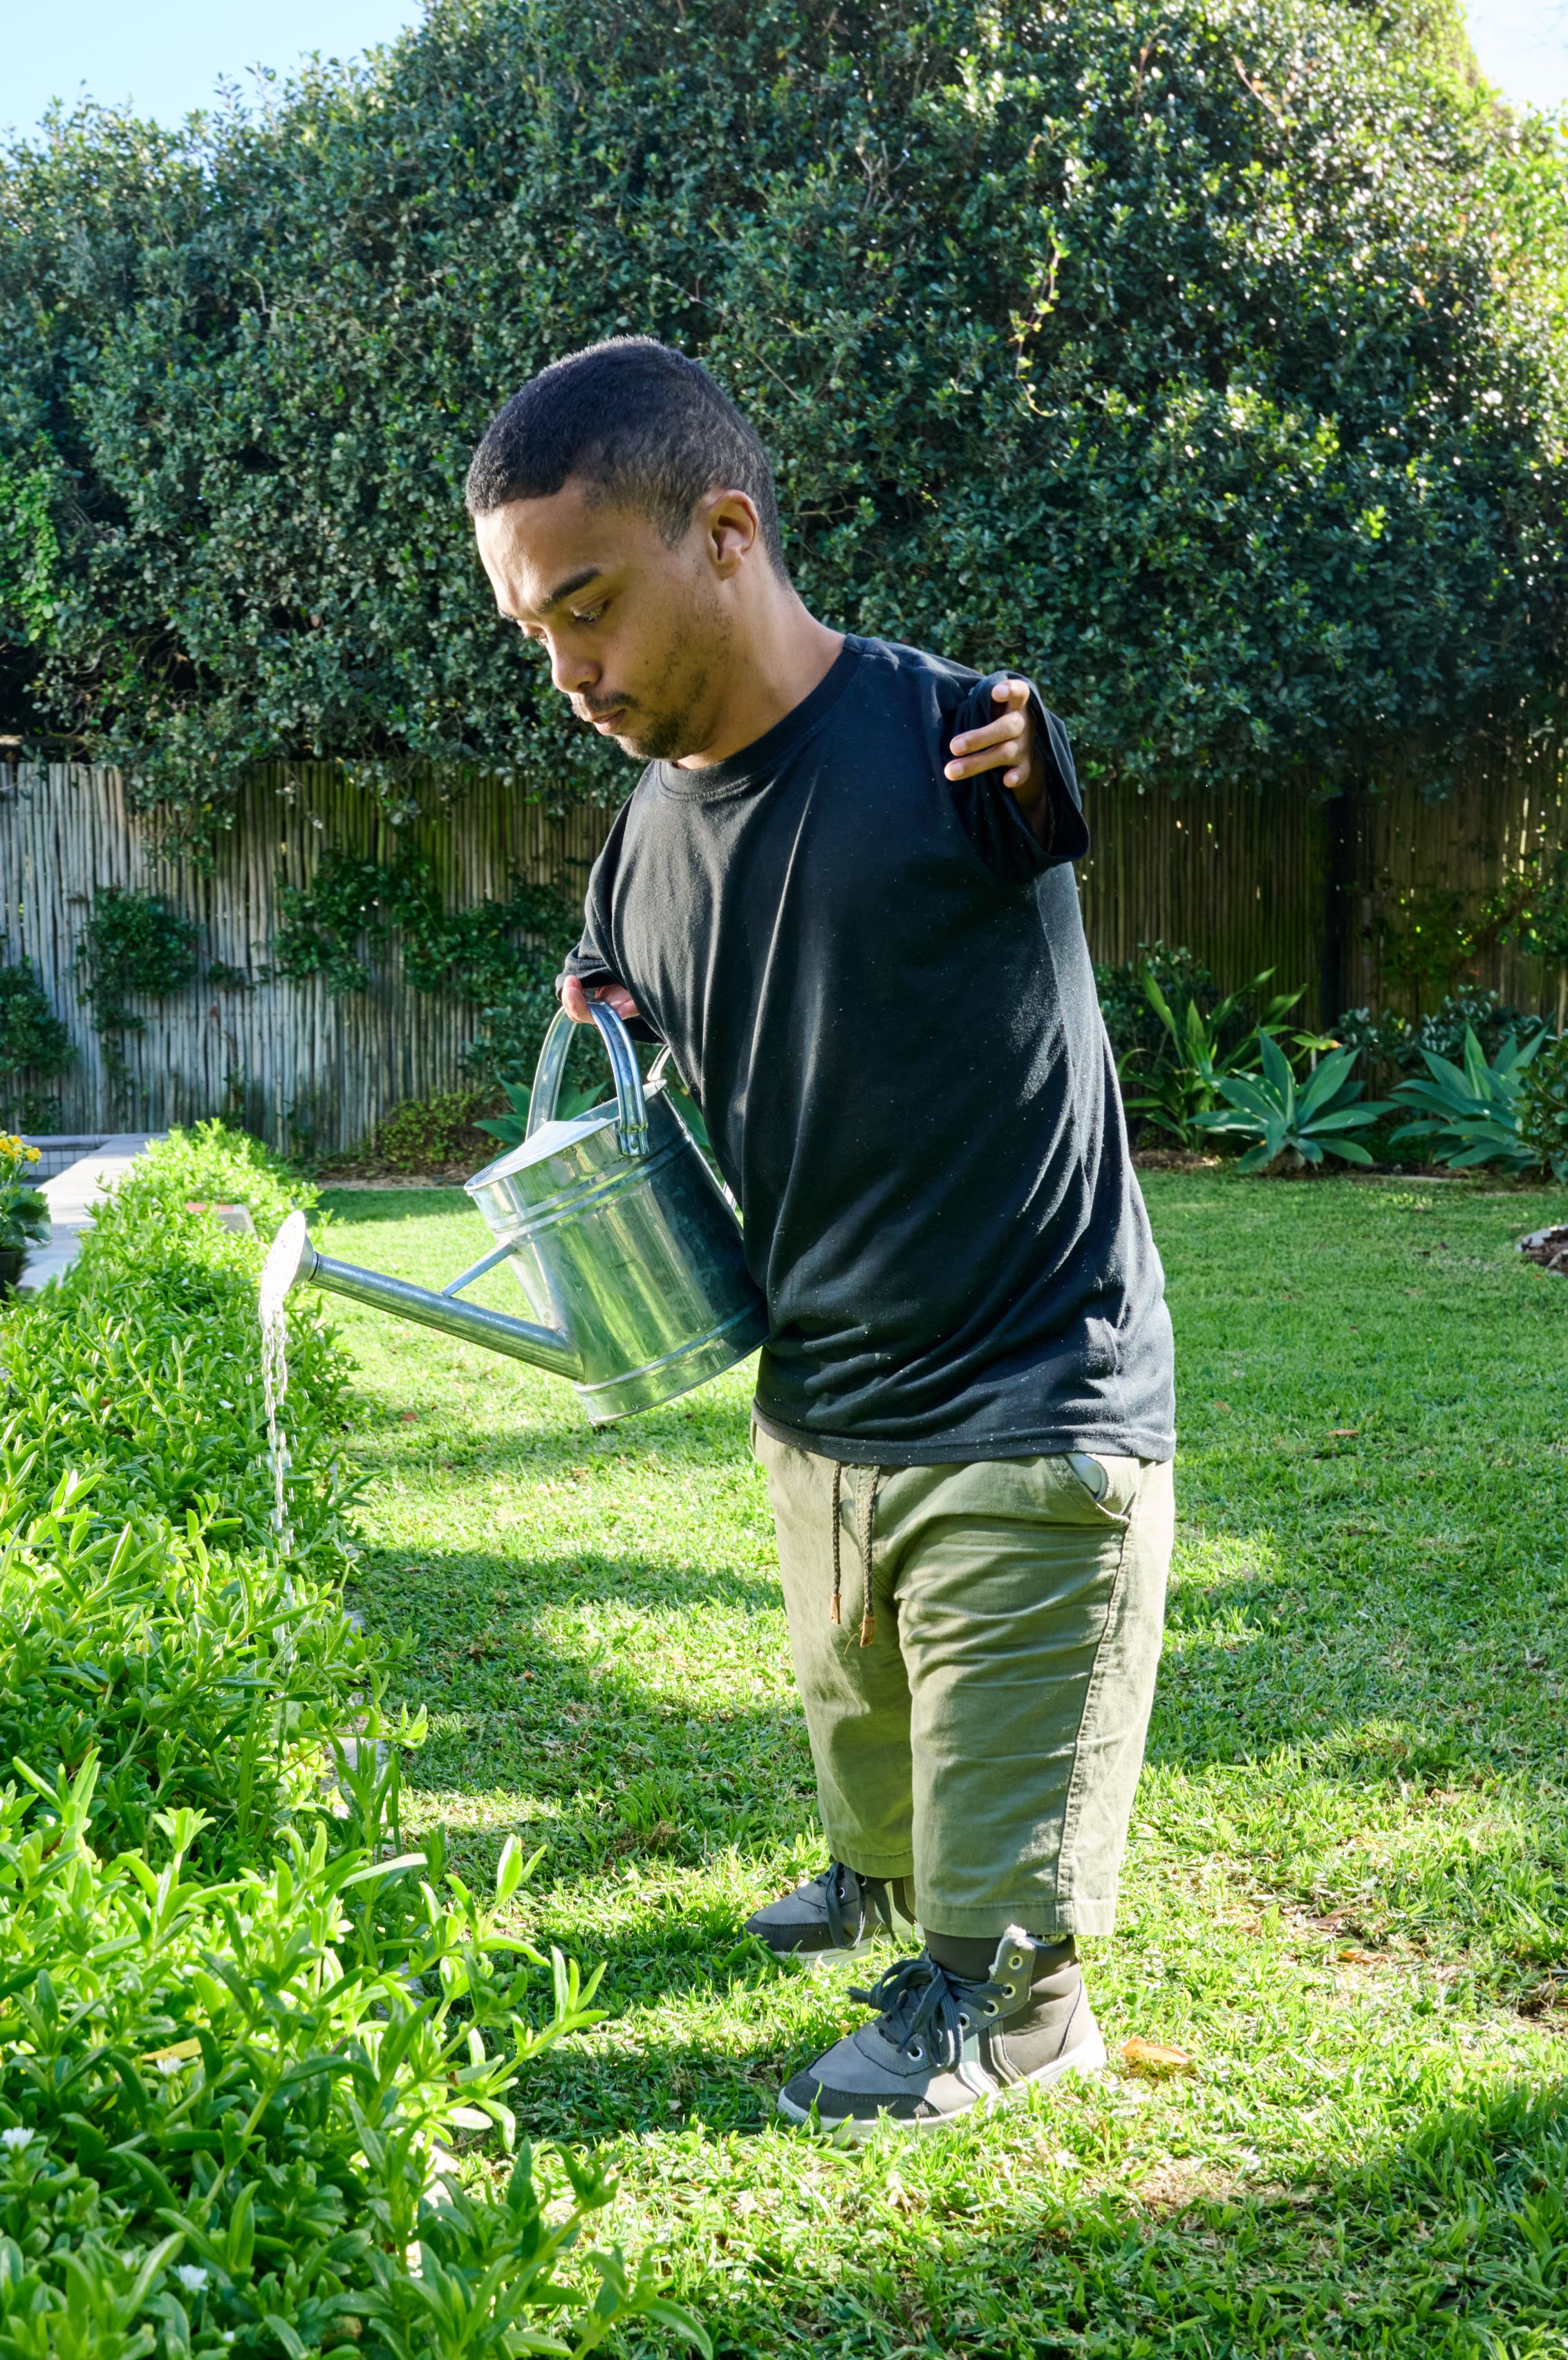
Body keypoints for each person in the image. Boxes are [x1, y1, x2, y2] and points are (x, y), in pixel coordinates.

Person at [460, 337, 1177, 2137]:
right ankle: (877, 1880)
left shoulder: (951, 735)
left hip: (1030, 1378)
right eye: (535, 633)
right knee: (859, 1702)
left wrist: (1044, 770)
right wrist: (603, 1011)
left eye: (590, 609)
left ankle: (1004, 2010)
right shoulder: (638, 836)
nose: (568, 671)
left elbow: (1042, 806)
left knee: (1000, 1705)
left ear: (725, 531)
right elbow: (634, 995)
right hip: (821, 1381)